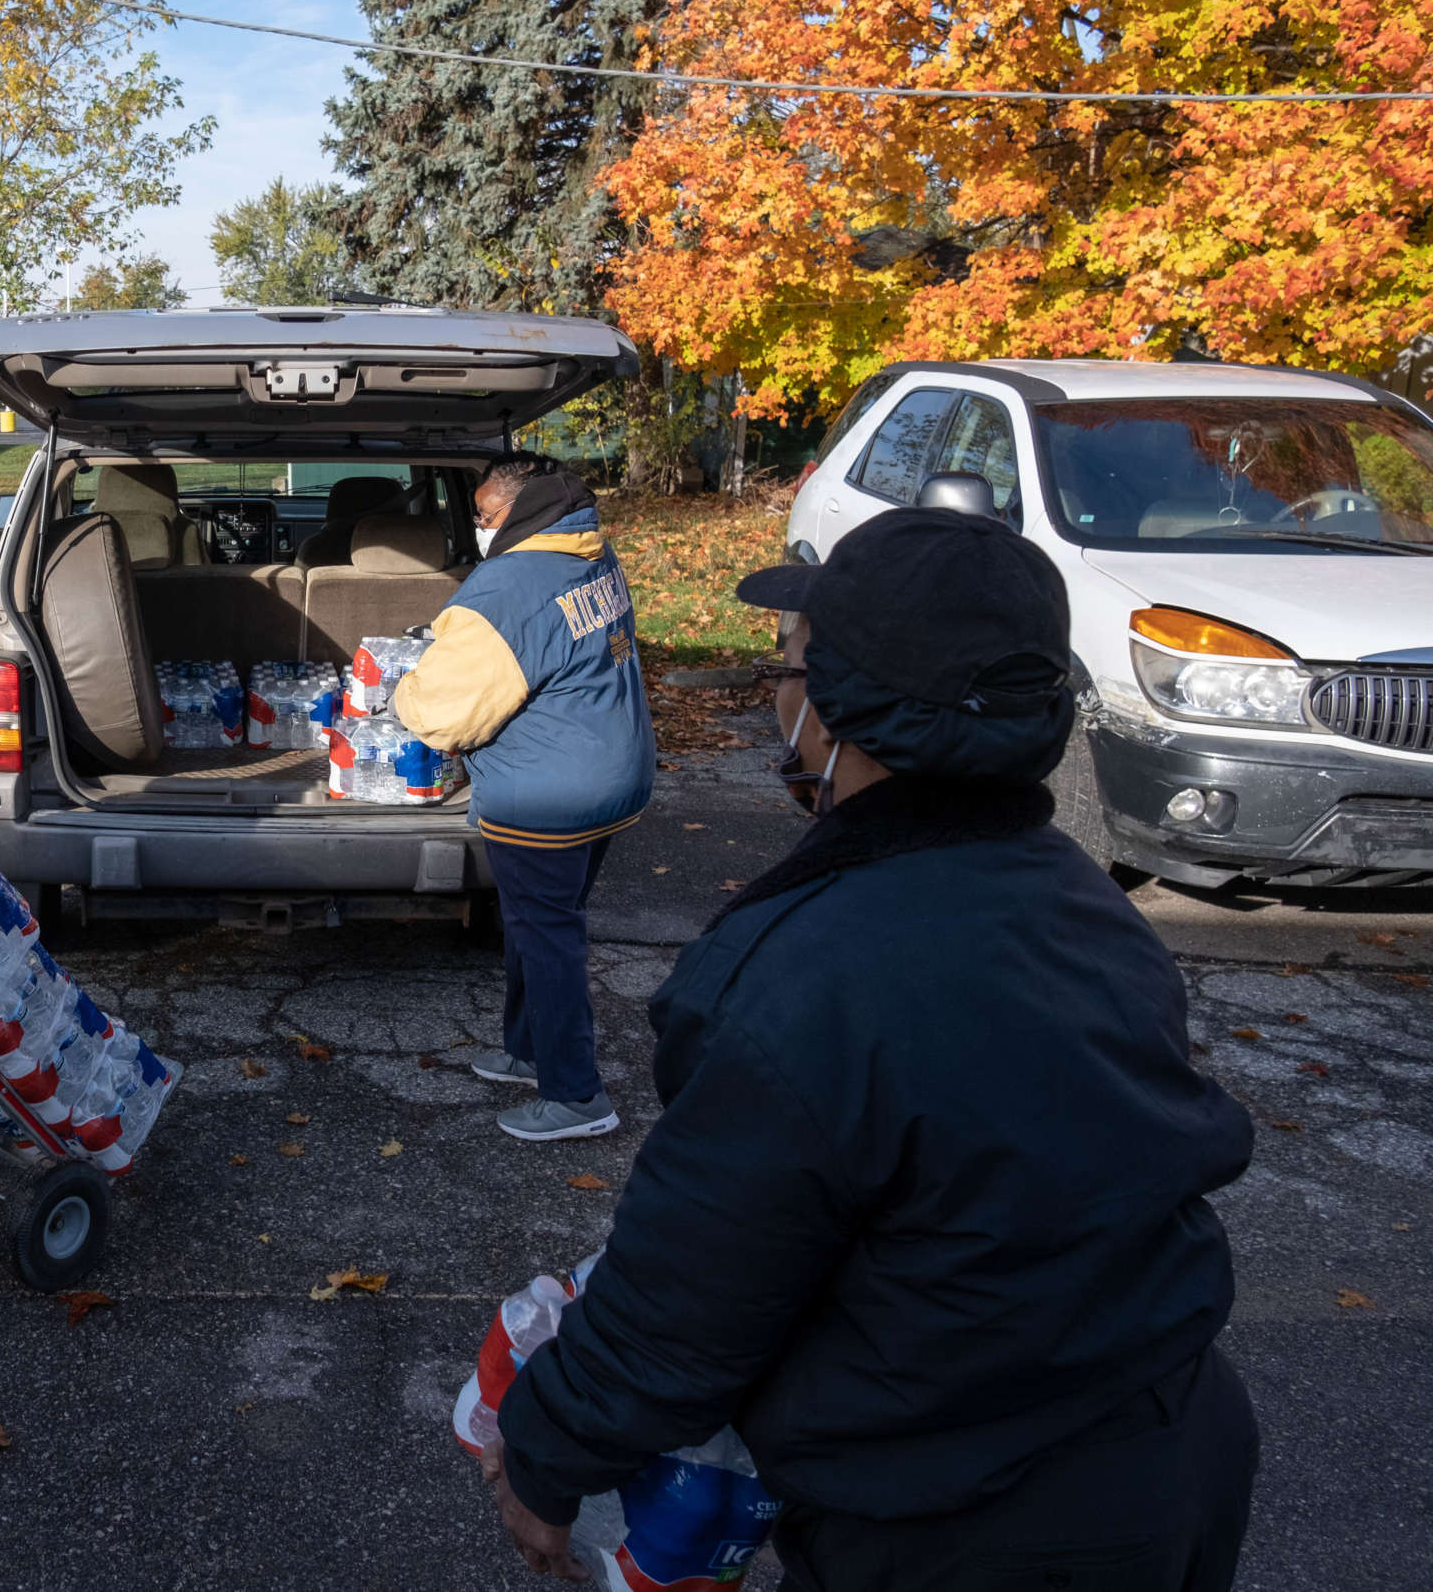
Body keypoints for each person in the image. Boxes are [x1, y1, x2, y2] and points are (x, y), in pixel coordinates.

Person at [480, 508, 1256, 1587]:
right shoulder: (1079, 901)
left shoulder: (810, 976)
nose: (778, 697)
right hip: (1172, 1448)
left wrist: (547, 1450)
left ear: (851, 714)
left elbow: (694, 1289)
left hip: (977, 1520)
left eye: (792, 668)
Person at [393, 452, 655, 1142]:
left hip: (548, 794)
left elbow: (442, 714)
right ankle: (525, 1048)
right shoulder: (589, 551)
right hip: (609, 773)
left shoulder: (507, 588)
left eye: (482, 515)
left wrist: (398, 687)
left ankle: (576, 1096)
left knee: (548, 937)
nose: (478, 527)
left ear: (517, 507)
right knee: (535, 923)